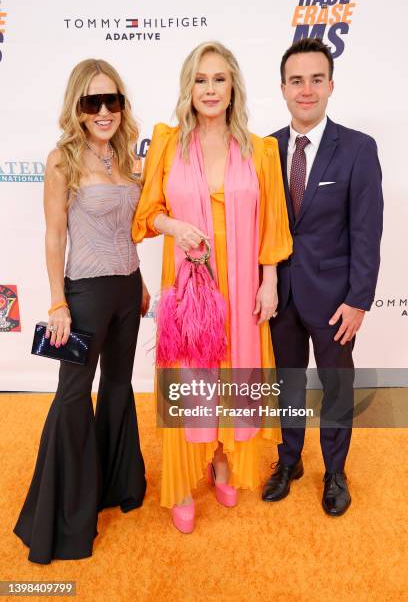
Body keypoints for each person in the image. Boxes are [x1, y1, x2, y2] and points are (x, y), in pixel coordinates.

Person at [133, 41, 292, 533]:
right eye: (200, 79)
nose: (209, 89)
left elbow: (273, 224)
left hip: (243, 285)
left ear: (233, 87)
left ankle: (222, 462)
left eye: (219, 79)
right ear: (189, 87)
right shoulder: (167, 141)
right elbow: (145, 216)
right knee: (188, 378)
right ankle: (181, 482)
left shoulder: (260, 149)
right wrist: (177, 228)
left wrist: (269, 284)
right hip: (189, 289)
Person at [14, 59, 149, 563]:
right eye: (93, 102)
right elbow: (55, 235)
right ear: (77, 106)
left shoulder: (126, 156)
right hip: (85, 295)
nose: (104, 111)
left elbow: (127, 228)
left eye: (112, 100)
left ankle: (114, 487)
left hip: (127, 289)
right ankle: (66, 518)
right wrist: (57, 302)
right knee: (73, 396)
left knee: (118, 385)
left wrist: (141, 281)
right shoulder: (61, 160)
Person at [262, 38, 383, 515]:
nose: (306, 90)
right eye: (297, 81)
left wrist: (359, 300)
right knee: (288, 383)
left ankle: (334, 471)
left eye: (316, 79)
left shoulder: (357, 148)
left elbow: (368, 229)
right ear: (283, 88)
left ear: (330, 85)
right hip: (280, 296)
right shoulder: (264, 149)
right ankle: (288, 460)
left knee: (335, 386)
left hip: (335, 299)